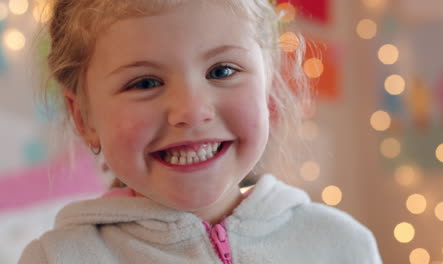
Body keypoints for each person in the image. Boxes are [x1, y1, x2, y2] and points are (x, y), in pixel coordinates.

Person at [20, 0, 382, 263]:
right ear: (84, 118)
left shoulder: (341, 245)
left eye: (222, 71)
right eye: (145, 82)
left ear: (269, 86)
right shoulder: (56, 259)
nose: (192, 112)